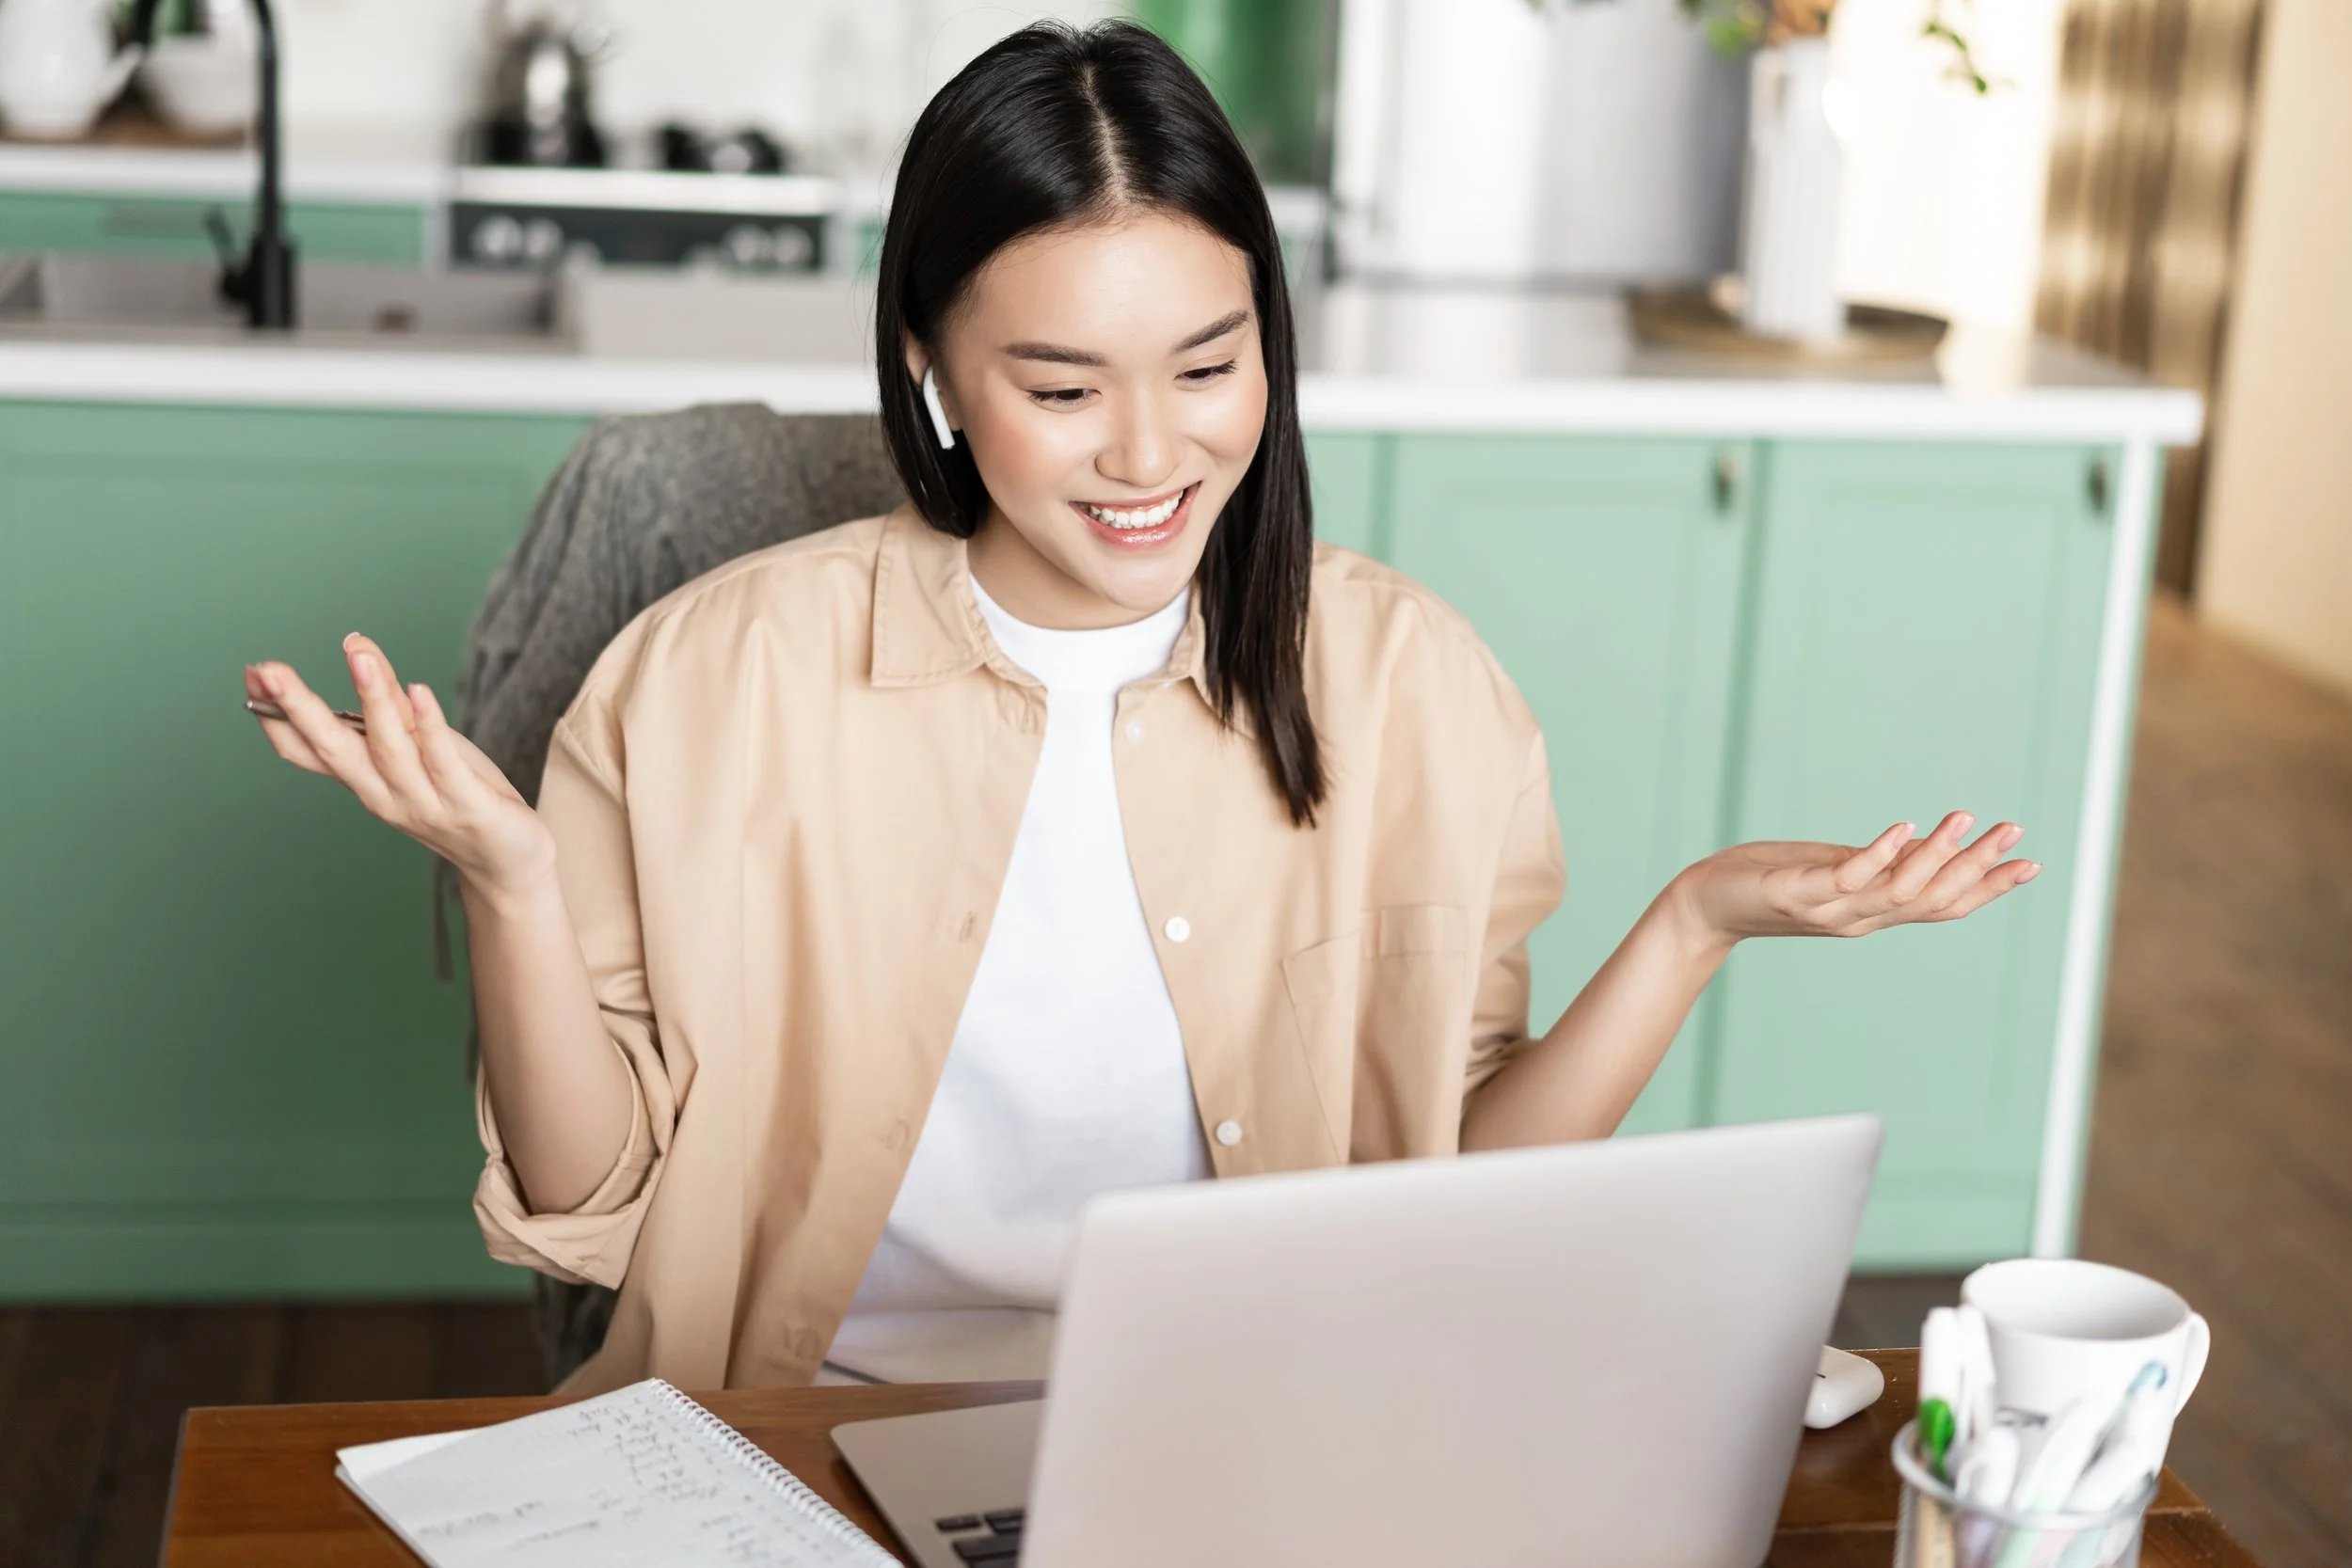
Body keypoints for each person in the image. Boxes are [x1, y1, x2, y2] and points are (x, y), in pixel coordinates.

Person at [244, 22, 2036, 1396]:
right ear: (933, 374)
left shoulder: (1413, 688)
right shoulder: (704, 680)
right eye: (1062, 385)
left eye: (1209, 363)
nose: (1154, 454)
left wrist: (1696, 920)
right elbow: (595, 1202)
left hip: (1243, 1423)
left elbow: (1452, 1193)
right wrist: (513, 886)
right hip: (796, 1427)